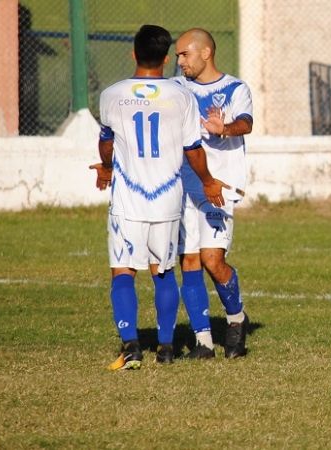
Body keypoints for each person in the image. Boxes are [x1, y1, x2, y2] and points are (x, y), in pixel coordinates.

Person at [91, 24, 224, 370]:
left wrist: (106, 167)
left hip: (128, 199)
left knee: (123, 271)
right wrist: (208, 181)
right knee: (162, 272)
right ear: (167, 58)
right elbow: (193, 149)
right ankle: (166, 347)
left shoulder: (111, 94)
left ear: (133, 53)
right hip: (166, 199)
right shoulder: (182, 96)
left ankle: (131, 346)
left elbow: (106, 142)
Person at [172, 28, 254, 359]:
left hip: (219, 187)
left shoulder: (234, 88)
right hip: (183, 186)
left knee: (212, 259)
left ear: (205, 53)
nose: (180, 61)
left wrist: (225, 129)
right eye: (177, 56)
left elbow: (246, 123)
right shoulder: (176, 88)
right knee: (189, 259)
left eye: (185, 54)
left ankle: (236, 319)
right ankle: (203, 342)